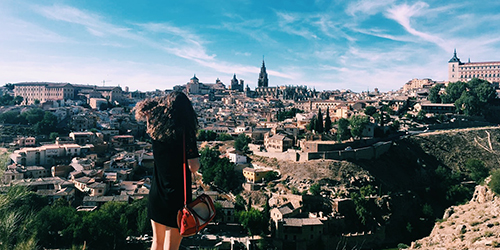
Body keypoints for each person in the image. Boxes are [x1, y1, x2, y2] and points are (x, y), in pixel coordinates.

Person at [134, 91, 200, 250]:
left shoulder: (156, 130)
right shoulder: (186, 134)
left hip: (157, 193)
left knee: (156, 243)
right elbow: (194, 166)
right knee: (171, 247)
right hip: (176, 196)